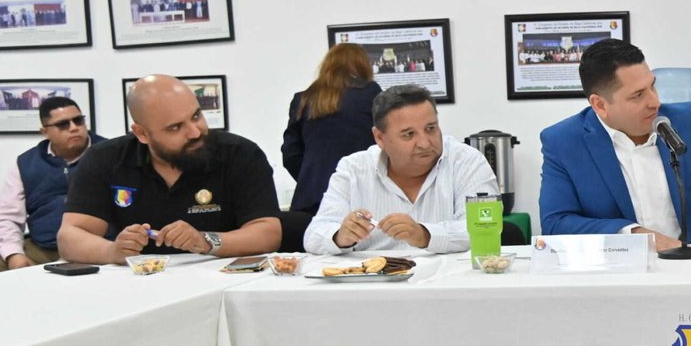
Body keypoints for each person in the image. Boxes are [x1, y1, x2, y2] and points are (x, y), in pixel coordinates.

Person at [538, 39, 691, 250]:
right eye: (638, 95)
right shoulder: (563, 142)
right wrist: (634, 234)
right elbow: (556, 222)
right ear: (600, 105)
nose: (655, 102)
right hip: (617, 271)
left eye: (653, 86)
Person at [58, 76, 282, 262]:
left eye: (196, 116)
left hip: (222, 278)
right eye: (175, 127)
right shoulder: (105, 159)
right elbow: (70, 237)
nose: (195, 132)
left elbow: (268, 233)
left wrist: (206, 241)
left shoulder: (240, 154)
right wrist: (113, 251)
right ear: (142, 134)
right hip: (138, 281)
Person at [305, 84, 498, 255]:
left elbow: (485, 228)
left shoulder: (467, 161)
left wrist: (425, 235)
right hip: (374, 281)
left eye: (431, 128)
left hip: (449, 280)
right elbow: (313, 236)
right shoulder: (353, 169)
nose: (424, 143)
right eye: (409, 134)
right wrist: (340, 236)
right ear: (380, 138)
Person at [0, 97, 104, 277]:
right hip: (44, 248)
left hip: (99, 245)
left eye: (78, 120)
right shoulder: (26, 163)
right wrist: (14, 255)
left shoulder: (109, 153)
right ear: (45, 131)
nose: (73, 127)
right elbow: (6, 216)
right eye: (63, 124)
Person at [281, 42, 382, 214]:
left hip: (312, 197)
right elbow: (385, 143)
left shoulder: (303, 99)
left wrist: (310, 178)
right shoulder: (371, 93)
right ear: (363, 66)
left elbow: (290, 153)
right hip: (361, 194)